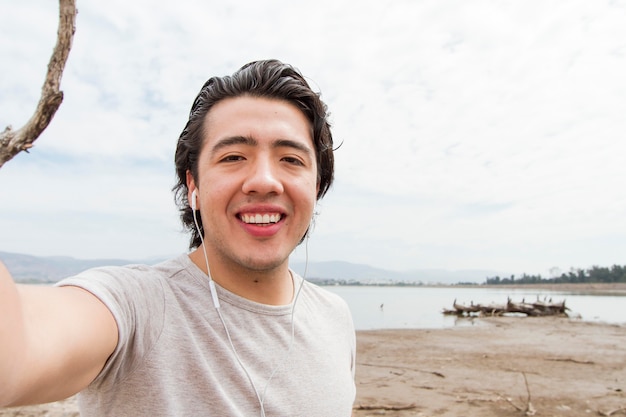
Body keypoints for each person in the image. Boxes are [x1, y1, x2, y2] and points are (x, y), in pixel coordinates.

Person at [0, 59, 356, 416]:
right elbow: (20, 352)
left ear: (317, 185)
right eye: (233, 157)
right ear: (193, 187)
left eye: (291, 159)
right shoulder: (136, 307)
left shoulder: (335, 319)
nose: (264, 180)